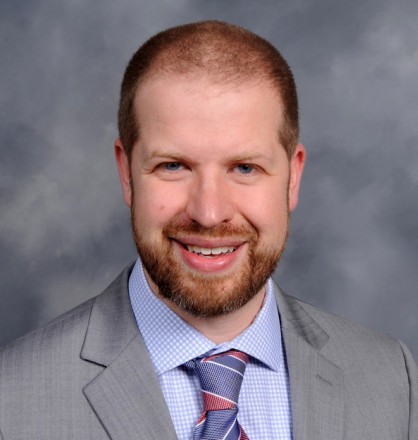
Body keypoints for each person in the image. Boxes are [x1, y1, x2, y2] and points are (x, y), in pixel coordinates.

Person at [0, 20, 416, 440]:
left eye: (245, 168)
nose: (210, 213)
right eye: (173, 166)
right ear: (126, 173)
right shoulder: (12, 396)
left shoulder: (392, 379)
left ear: (293, 178)